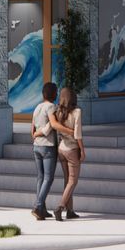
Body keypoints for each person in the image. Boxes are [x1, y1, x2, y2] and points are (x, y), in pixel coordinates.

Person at [53, 86, 85, 220]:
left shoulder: (58, 110)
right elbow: (77, 134)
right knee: (73, 181)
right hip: (72, 149)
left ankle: (70, 210)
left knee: (67, 180)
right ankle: (60, 207)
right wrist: (82, 150)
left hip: (61, 149)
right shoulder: (77, 111)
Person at [30, 81, 60, 220]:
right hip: (47, 146)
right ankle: (37, 205)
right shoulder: (51, 107)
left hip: (36, 146)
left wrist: (36, 135)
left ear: (43, 94)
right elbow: (53, 124)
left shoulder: (37, 107)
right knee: (48, 178)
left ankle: (42, 209)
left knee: (40, 178)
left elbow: (32, 130)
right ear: (54, 94)